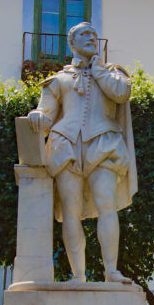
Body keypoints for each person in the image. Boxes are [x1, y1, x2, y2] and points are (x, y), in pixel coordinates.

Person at [26, 22, 137, 284]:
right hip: (65, 144)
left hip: (103, 142)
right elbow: (46, 113)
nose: (91, 38)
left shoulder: (113, 75)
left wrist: (98, 68)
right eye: (84, 35)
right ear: (71, 43)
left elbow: (121, 94)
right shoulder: (59, 80)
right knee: (71, 210)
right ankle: (78, 275)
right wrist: (37, 116)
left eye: (94, 35)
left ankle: (111, 271)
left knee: (106, 202)